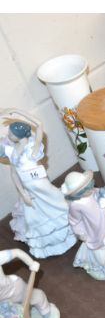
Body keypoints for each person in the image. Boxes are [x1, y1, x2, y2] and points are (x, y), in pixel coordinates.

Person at [0, 108, 76, 258]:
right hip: (30, 192)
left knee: (60, 207)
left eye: (11, 133)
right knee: (35, 217)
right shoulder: (12, 151)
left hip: (43, 188)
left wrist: (17, 111)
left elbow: (39, 125)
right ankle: (49, 245)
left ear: (19, 135)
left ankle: (72, 228)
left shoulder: (32, 149)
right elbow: (14, 174)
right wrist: (23, 193)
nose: (8, 136)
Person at [61, 170, 105, 280]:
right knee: (102, 256)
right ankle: (104, 264)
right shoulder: (76, 205)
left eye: (88, 186)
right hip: (95, 231)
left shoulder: (95, 191)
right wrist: (80, 233)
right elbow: (74, 221)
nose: (89, 189)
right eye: (84, 189)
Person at [0, 248, 60, 318]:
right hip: (3, 301)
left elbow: (17, 252)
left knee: (34, 296)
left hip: (14, 289)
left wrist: (31, 263)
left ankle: (45, 310)